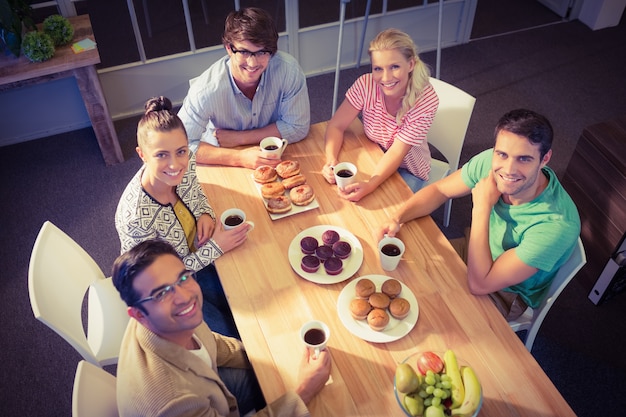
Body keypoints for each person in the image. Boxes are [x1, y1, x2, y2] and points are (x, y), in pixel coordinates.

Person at [377, 109, 580, 320]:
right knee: (396, 272)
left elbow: (480, 284)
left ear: (545, 158)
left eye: (524, 159)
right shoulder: (491, 162)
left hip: (505, 292)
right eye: (502, 154)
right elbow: (440, 191)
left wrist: (482, 206)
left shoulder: (556, 226)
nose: (508, 169)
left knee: (426, 314)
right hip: (473, 250)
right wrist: (397, 218)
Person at [112, 239, 332, 417]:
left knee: (279, 373)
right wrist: (305, 391)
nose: (184, 296)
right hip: (195, 398)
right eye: (162, 293)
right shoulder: (171, 404)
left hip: (206, 384)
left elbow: (213, 343)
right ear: (138, 315)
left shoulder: (164, 319)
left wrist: (271, 353)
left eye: (183, 278)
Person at [115, 96, 252, 338]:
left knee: (250, 297)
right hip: (168, 291)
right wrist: (215, 249)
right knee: (236, 335)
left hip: (198, 257)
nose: (175, 164)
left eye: (180, 151)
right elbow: (159, 281)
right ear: (142, 154)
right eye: (161, 155)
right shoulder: (135, 218)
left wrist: (205, 214)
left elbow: (197, 194)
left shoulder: (184, 164)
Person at [178, 7, 310, 169]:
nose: (252, 63)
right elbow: (180, 148)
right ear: (228, 48)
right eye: (244, 52)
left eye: (262, 52)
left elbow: (298, 127)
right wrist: (238, 157)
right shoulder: (205, 90)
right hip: (223, 156)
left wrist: (240, 138)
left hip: (274, 154)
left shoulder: (289, 70)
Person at [322, 28, 439, 201]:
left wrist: (370, 185)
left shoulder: (426, 100)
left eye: (394, 67)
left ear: (411, 64)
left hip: (409, 169)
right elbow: (336, 125)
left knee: (383, 215)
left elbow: (397, 153)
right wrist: (331, 161)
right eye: (378, 68)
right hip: (376, 154)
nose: (385, 78)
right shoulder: (365, 84)